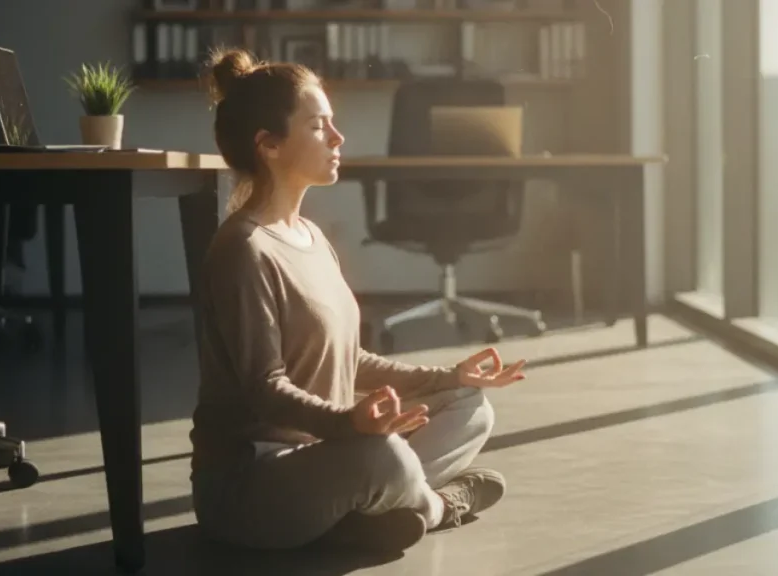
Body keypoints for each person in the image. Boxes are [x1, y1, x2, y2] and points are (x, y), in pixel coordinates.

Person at [188, 47, 528, 556]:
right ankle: (438, 507)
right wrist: (350, 425)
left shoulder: (310, 236)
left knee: (470, 408)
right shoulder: (243, 248)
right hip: (252, 488)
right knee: (381, 457)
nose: (338, 137)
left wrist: (451, 378)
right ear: (269, 145)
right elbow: (266, 388)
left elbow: (351, 361)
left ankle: (358, 516)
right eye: (319, 125)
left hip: (326, 454)